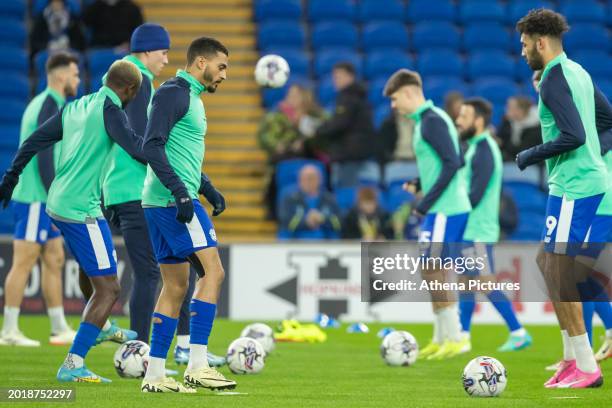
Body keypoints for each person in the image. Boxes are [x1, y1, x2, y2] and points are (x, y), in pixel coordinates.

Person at [0, 60, 146, 382]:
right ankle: (73, 363)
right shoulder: (111, 110)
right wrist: (177, 169)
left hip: (64, 203)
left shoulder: (76, 106)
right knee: (109, 290)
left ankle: (102, 327)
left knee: (88, 267)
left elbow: (34, 141)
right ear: (130, 90)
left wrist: (10, 177)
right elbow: (136, 147)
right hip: (79, 209)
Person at [515, 8, 608, 388]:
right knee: (548, 263)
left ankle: (586, 366)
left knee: (560, 269)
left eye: (524, 45)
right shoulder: (579, 72)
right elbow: (609, 121)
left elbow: (574, 136)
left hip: (575, 185)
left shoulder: (554, 78)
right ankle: (573, 359)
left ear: (541, 42)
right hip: (574, 181)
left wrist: (529, 155)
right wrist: (593, 160)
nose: (522, 52)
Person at [139, 37, 235, 393]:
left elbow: (182, 153)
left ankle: (155, 374)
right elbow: (152, 145)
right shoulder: (174, 93)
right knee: (214, 272)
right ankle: (198, 364)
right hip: (172, 201)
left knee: (176, 285)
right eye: (221, 66)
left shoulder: (189, 96)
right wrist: (182, 192)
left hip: (161, 200)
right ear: (200, 63)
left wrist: (207, 188)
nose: (224, 75)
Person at [383, 69, 471, 360]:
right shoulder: (429, 120)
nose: (394, 106)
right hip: (444, 206)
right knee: (433, 270)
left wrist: (424, 202)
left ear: (409, 92)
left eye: (395, 99)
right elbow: (454, 156)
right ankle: (441, 337)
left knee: (434, 270)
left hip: (445, 208)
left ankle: (455, 337)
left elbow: (452, 163)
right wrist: (421, 184)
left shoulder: (432, 121)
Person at [0, 52, 80, 347]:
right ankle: (8, 330)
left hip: (42, 197)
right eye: (74, 74)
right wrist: (54, 199)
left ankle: (58, 326)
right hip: (36, 198)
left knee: (54, 258)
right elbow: (44, 158)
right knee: (23, 262)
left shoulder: (46, 103)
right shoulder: (49, 105)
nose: (77, 80)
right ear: (60, 76)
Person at [454, 97, 532, 352]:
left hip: (477, 229)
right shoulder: (476, 147)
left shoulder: (485, 149)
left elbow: (475, 195)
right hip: (470, 228)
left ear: (477, 120)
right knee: (466, 282)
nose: (458, 121)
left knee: (485, 283)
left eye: (464, 116)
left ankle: (518, 331)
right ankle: (463, 337)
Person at [257, 84, 326, 218]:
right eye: (290, 95)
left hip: (308, 157)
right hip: (283, 157)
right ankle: (274, 211)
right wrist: (279, 145)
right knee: (276, 173)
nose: (292, 98)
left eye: (296, 95)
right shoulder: (276, 115)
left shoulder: (315, 114)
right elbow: (264, 137)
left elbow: (324, 132)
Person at [315, 62, 375, 186]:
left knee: (345, 191)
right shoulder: (359, 96)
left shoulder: (348, 98)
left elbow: (339, 123)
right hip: (356, 152)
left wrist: (318, 130)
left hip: (348, 155)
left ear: (350, 76)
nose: (335, 81)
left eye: (338, 77)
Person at [279, 165, 341, 240]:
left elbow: (338, 223)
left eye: (311, 178)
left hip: (325, 244)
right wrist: (306, 221)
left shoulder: (329, 199)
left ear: (320, 179)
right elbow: (286, 223)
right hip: (297, 244)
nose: (307, 181)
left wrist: (322, 219)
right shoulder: (290, 199)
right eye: (303, 178)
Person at [498, 96, 541, 161]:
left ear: (520, 110)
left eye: (509, 107)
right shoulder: (507, 122)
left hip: (530, 163)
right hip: (511, 160)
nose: (506, 110)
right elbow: (501, 138)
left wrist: (502, 143)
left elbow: (524, 151)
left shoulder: (536, 127)